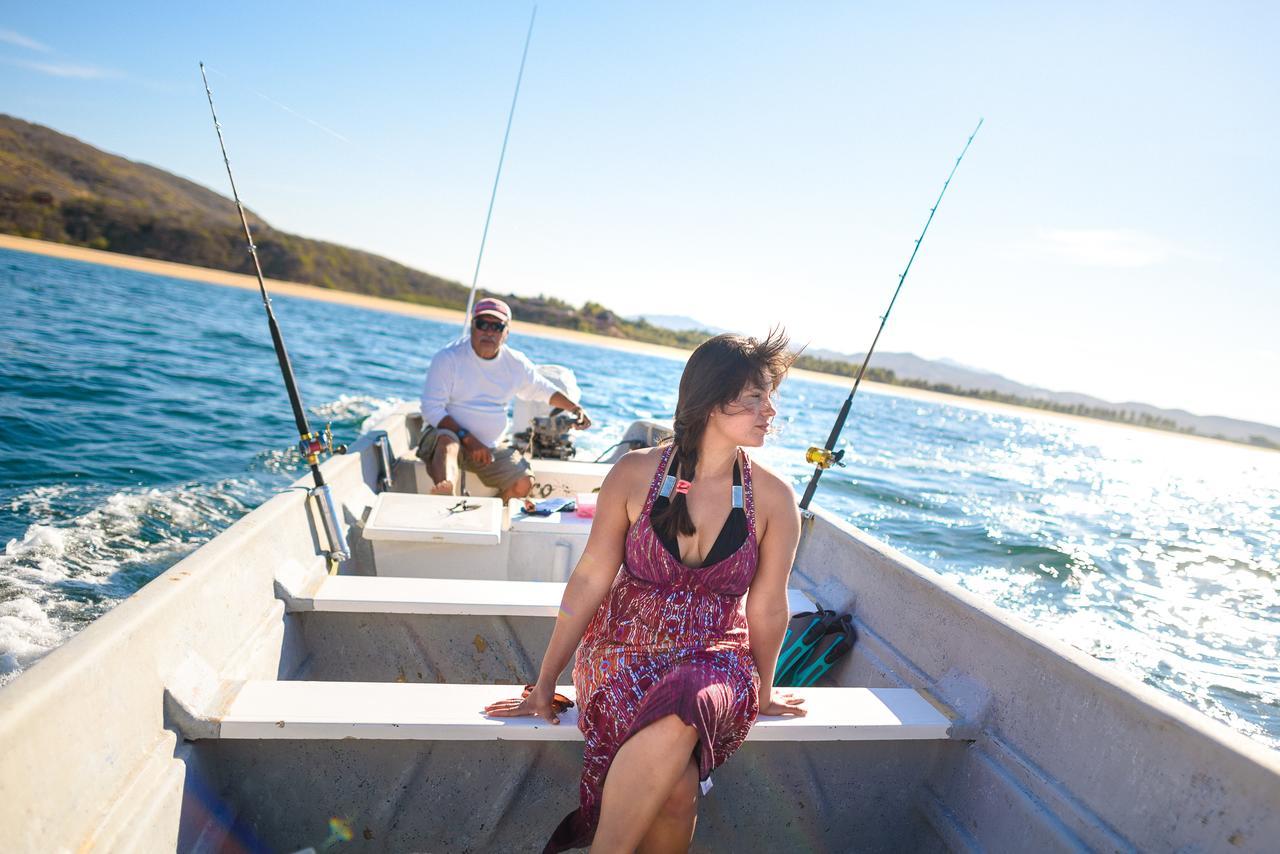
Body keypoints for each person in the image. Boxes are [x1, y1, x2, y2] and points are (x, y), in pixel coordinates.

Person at [484, 330, 806, 853]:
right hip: (620, 654)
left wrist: (763, 690)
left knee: (688, 696)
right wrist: (544, 681)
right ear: (707, 401)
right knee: (678, 791)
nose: (770, 410)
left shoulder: (773, 498)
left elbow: (768, 606)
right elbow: (589, 579)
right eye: (754, 397)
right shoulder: (635, 474)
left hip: (716, 659)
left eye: (769, 396)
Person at [418, 297, 592, 501]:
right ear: (472, 326)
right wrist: (469, 438)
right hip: (444, 437)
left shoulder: (515, 363)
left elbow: (542, 389)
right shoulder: (448, 358)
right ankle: (446, 497)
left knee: (523, 481)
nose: (489, 332)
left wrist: (575, 408)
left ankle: (491, 515)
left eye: (497, 326)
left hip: (489, 446)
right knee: (448, 442)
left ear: (506, 332)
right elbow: (432, 410)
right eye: (483, 324)